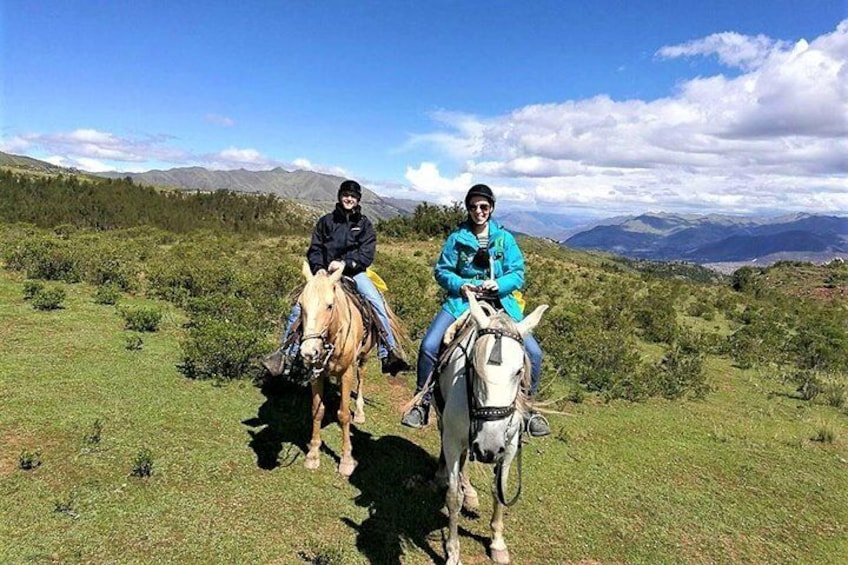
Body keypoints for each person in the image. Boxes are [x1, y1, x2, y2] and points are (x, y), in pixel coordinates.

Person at [400, 184, 550, 437]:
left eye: (483, 206)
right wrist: (461, 285)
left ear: (491, 208)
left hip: (501, 303)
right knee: (429, 345)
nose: (478, 211)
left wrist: (499, 284)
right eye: (473, 207)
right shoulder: (457, 238)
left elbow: (517, 273)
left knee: (533, 353)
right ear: (468, 209)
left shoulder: (505, 239)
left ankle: (528, 408)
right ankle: (422, 402)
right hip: (462, 302)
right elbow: (442, 271)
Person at [263, 179, 410, 377]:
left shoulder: (364, 225)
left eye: (353, 196)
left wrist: (346, 264)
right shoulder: (326, 221)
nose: (349, 199)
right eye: (346, 195)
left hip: (354, 273)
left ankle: (388, 352)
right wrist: (319, 268)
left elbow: (367, 254)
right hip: (325, 275)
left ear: (358, 200)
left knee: (376, 303)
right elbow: (315, 248)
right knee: (299, 307)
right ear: (340, 197)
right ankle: (285, 354)